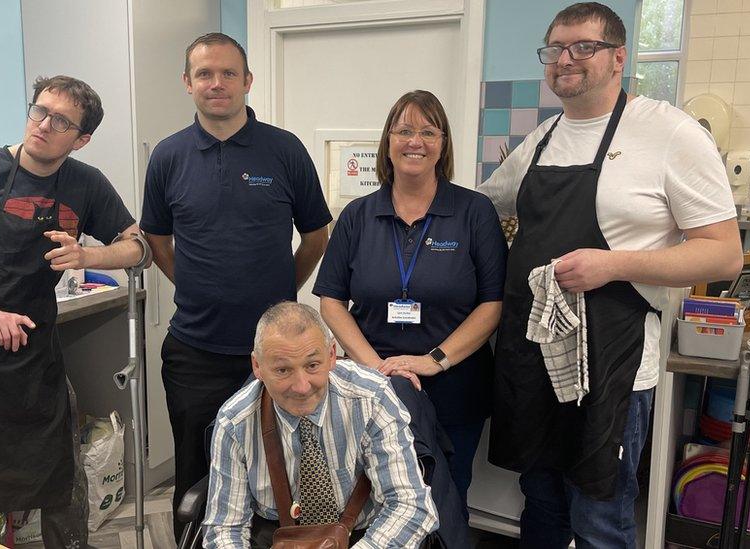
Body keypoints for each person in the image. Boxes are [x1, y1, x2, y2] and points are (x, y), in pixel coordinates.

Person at [477, 3, 742, 547]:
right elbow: (482, 204)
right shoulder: (542, 138)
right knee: (541, 496)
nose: (565, 60)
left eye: (583, 47)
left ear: (618, 57)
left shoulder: (669, 132)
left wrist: (613, 265)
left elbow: (723, 255)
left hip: (615, 364)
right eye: (554, 50)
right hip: (536, 354)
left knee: (599, 512)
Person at [0, 75, 147, 547]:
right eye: (38, 110)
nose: (42, 124)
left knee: (58, 468)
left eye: (60, 121)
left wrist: (89, 256)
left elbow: (138, 248)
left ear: (81, 139)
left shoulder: (85, 184)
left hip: (33, 352)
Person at [140, 32, 332, 538]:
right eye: (204, 74)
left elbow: (316, 235)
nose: (217, 83)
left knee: (278, 473)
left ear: (248, 81)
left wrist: (279, 292)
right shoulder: (168, 156)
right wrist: (193, 283)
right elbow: (156, 237)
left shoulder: (284, 151)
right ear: (188, 83)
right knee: (197, 479)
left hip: (276, 357)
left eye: (228, 73)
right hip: (195, 352)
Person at [312, 90, 507, 515]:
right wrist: (374, 366)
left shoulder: (475, 213)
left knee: (447, 494)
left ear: (443, 143)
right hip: (372, 386)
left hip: (454, 385)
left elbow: (492, 304)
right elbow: (330, 299)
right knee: (373, 494)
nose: (414, 141)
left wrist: (434, 360)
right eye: (403, 130)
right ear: (387, 141)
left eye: (427, 131)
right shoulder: (358, 216)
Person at [203, 302, 439, 548]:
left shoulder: (372, 398)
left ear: (331, 355)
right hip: (275, 536)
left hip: (367, 536)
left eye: (312, 365)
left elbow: (409, 505)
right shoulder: (234, 421)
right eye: (283, 370)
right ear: (257, 367)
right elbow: (225, 529)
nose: (302, 386)